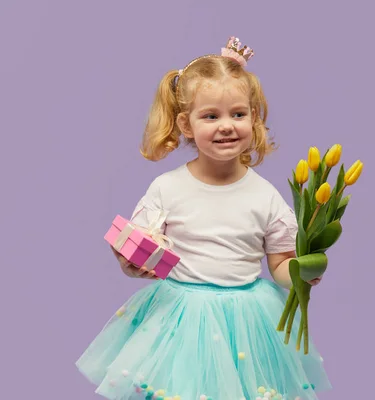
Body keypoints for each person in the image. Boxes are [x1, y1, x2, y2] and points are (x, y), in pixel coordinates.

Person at [76, 37, 331, 400]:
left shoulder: (266, 196)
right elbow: (138, 249)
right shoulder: (167, 189)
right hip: (182, 323)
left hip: (247, 322)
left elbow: (279, 263)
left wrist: (300, 272)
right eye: (211, 116)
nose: (226, 126)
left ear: (253, 117)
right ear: (186, 124)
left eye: (238, 114)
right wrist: (131, 266)